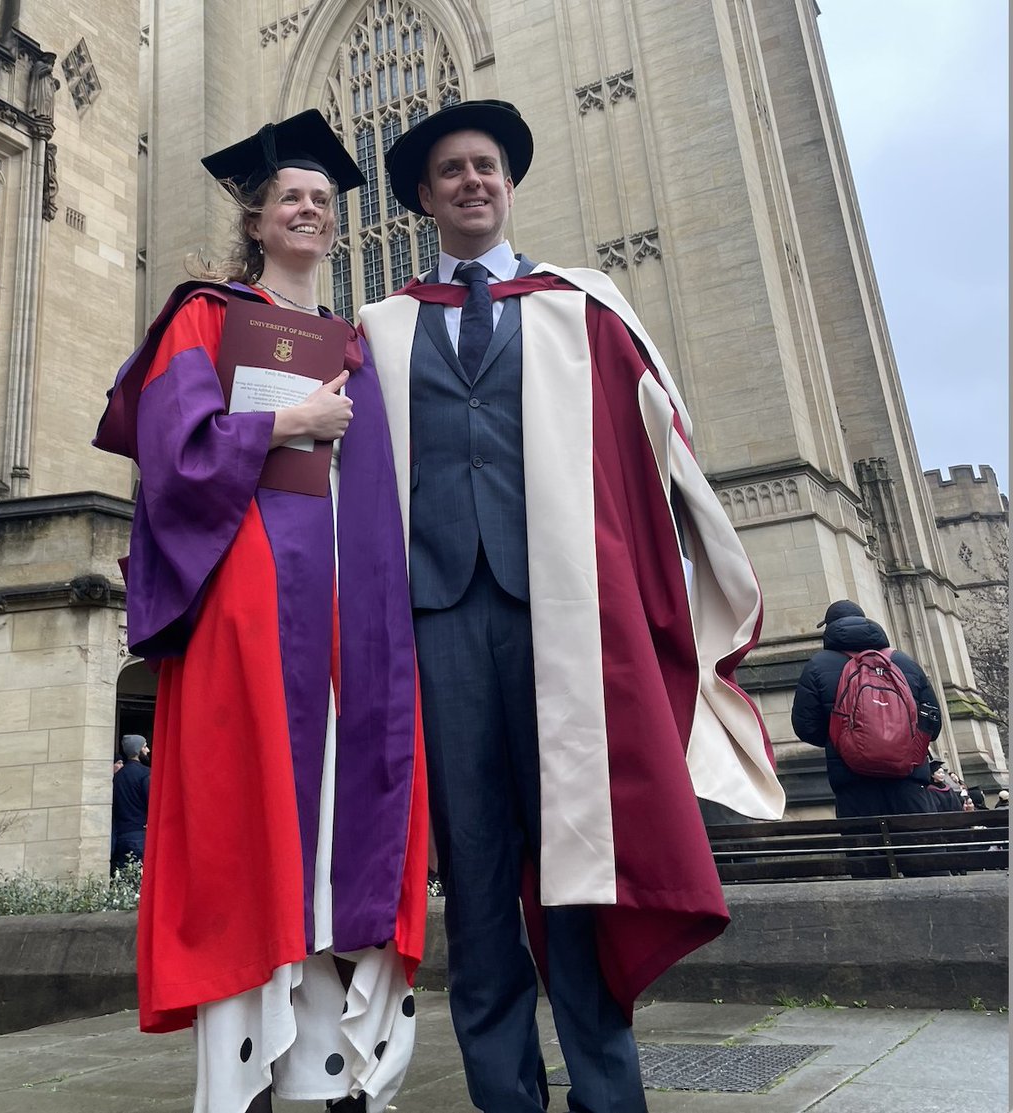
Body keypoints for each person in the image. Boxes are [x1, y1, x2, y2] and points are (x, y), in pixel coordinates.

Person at [358, 99, 784, 1113]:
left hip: (566, 622)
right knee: (476, 873)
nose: (472, 181)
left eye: (487, 166)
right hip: (438, 622)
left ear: (508, 184)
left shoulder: (584, 306)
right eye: (452, 170)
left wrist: (702, 584)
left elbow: (656, 455)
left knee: (581, 863)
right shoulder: (378, 329)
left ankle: (607, 1091)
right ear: (424, 197)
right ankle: (504, 1094)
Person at [93, 110, 428, 1113]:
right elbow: (176, 451)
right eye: (293, 198)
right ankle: (256, 1070)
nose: (313, 211)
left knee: (340, 828)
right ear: (256, 219)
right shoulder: (206, 316)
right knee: (262, 820)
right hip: (253, 607)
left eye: (324, 201)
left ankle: (332, 1070)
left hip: (347, 613)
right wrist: (288, 420)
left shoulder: (358, 342)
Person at [792, 600, 943, 817]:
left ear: (830, 628)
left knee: (867, 847)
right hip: (909, 784)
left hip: (854, 786)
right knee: (916, 847)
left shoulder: (818, 665)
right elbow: (933, 724)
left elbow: (806, 727)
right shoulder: (903, 661)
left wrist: (844, 739)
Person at [110, 733, 150, 873]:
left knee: (124, 882)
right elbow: (151, 802)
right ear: (138, 750)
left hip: (121, 835)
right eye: (145, 747)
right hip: (140, 833)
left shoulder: (118, 776)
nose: (147, 750)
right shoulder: (145, 773)